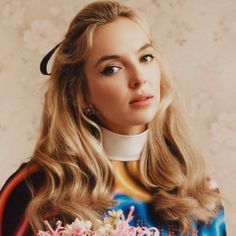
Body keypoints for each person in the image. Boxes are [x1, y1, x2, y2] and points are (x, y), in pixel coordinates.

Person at [0, 0, 227, 235]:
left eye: (145, 57)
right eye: (112, 68)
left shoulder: (197, 190)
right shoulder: (34, 190)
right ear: (82, 95)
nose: (139, 77)